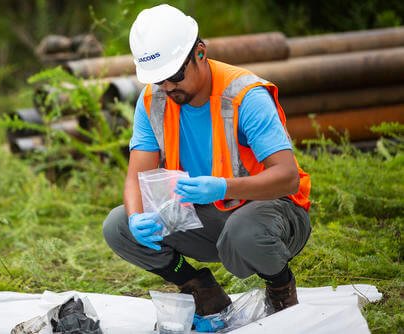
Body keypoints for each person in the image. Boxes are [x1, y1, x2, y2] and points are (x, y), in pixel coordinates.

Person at [103, 4, 311, 329]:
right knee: (118, 225)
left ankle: (280, 285)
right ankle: (201, 289)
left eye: (174, 75)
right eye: (159, 80)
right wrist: (135, 216)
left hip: (271, 211)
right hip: (208, 214)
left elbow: (287, 179)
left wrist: (224, 186)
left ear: (200, 53)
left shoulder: (244, 95)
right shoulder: (152, 100)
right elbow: (136, 176)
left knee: (244, 233)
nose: (168, 87)